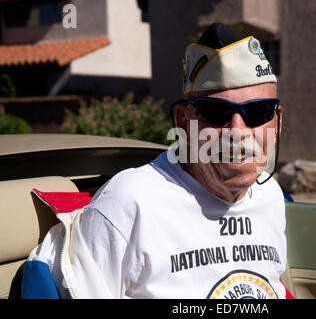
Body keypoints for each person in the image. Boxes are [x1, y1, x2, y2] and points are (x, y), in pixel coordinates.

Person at [24, 23, 288, 299]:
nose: (238, 132)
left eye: (257, 112)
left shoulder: (269, 195)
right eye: (216, 112)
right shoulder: (132, 201)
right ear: (185, 122)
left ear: (278, 121)